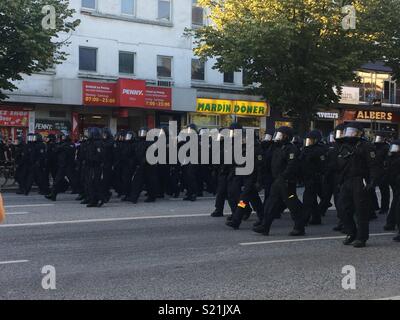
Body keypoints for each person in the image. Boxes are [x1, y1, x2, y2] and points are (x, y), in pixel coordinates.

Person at [253, 126, 305, 236]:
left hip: (287, 183)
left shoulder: (291, 149)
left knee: (292, 204)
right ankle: (265, 227)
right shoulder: (277, 148)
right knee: (270, 204)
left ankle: (299, 227)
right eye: (278, 135)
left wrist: (283, 176)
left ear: (287, 137)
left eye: (281, 135)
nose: (278, 137)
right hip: (277, 182)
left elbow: (292, 166)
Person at [336, 122, 381, 248]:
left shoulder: (366, 146)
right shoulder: (343, 146)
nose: (350, 134)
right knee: (343, 208)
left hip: (360, 180)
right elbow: (340, 164)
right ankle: (351, 233)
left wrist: (372, 181)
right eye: (349, 131)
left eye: (353, 131)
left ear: (360, 133)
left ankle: (361, 237)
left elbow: (373, 165)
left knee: (361, 211)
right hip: (346, 181)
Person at [300, 130, 328, 225]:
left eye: (310, 140)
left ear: (316, 140)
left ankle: (304, 219)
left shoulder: (320, 150)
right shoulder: (306, 149)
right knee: (312, 200)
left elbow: (323, 165)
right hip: (307, 177)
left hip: (315, 178)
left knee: (307, 199)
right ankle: (316, 218)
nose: (308, 142)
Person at [128, 127, 158, 203]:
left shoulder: (151, 142)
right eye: (141, 132)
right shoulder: (137, 142)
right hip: (140, 164)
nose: (142, 134)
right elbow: (134, 154)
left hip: (149, 165)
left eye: (143, 133)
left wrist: (146, 159)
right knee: (137, 181)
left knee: (150, 181)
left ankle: (152, 196)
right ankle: (133, 198)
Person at [45, 132, 77, 201]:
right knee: (57, 180)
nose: (62, 138)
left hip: (68, 166)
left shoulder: (69, 145)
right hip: (62, 166)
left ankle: (83, 192)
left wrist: (53, 145)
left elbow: (57, 150)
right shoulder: (66, 144)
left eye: (63, 137)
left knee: (74, 181)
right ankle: (53, 195)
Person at [371, 132, 390, 216]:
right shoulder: (374, 146)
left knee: (384, 191)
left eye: (379, 138)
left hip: (383, 171)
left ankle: (384, 208)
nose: (377, 139)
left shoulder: (387, 147)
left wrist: (386, 168)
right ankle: (375, 206)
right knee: (371, 189)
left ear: (384, 139)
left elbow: (388, 160)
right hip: (374, 171)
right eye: (376, 137)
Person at [384, 140, 400, 242]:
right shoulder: (391, 158)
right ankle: (391, 223)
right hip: (395, 184)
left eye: (396, 147)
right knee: (395, 204)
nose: (394, 149)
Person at [85, 127, 105, 208]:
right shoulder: (90, 142)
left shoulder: (98, 143)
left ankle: (101, 199)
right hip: (90, 165)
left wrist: (93, 159)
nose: (88, 134)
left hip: (96, 166)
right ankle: (93, 200)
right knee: (90, 183)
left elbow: (101, 155)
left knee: (96, 183)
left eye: (90, 133)